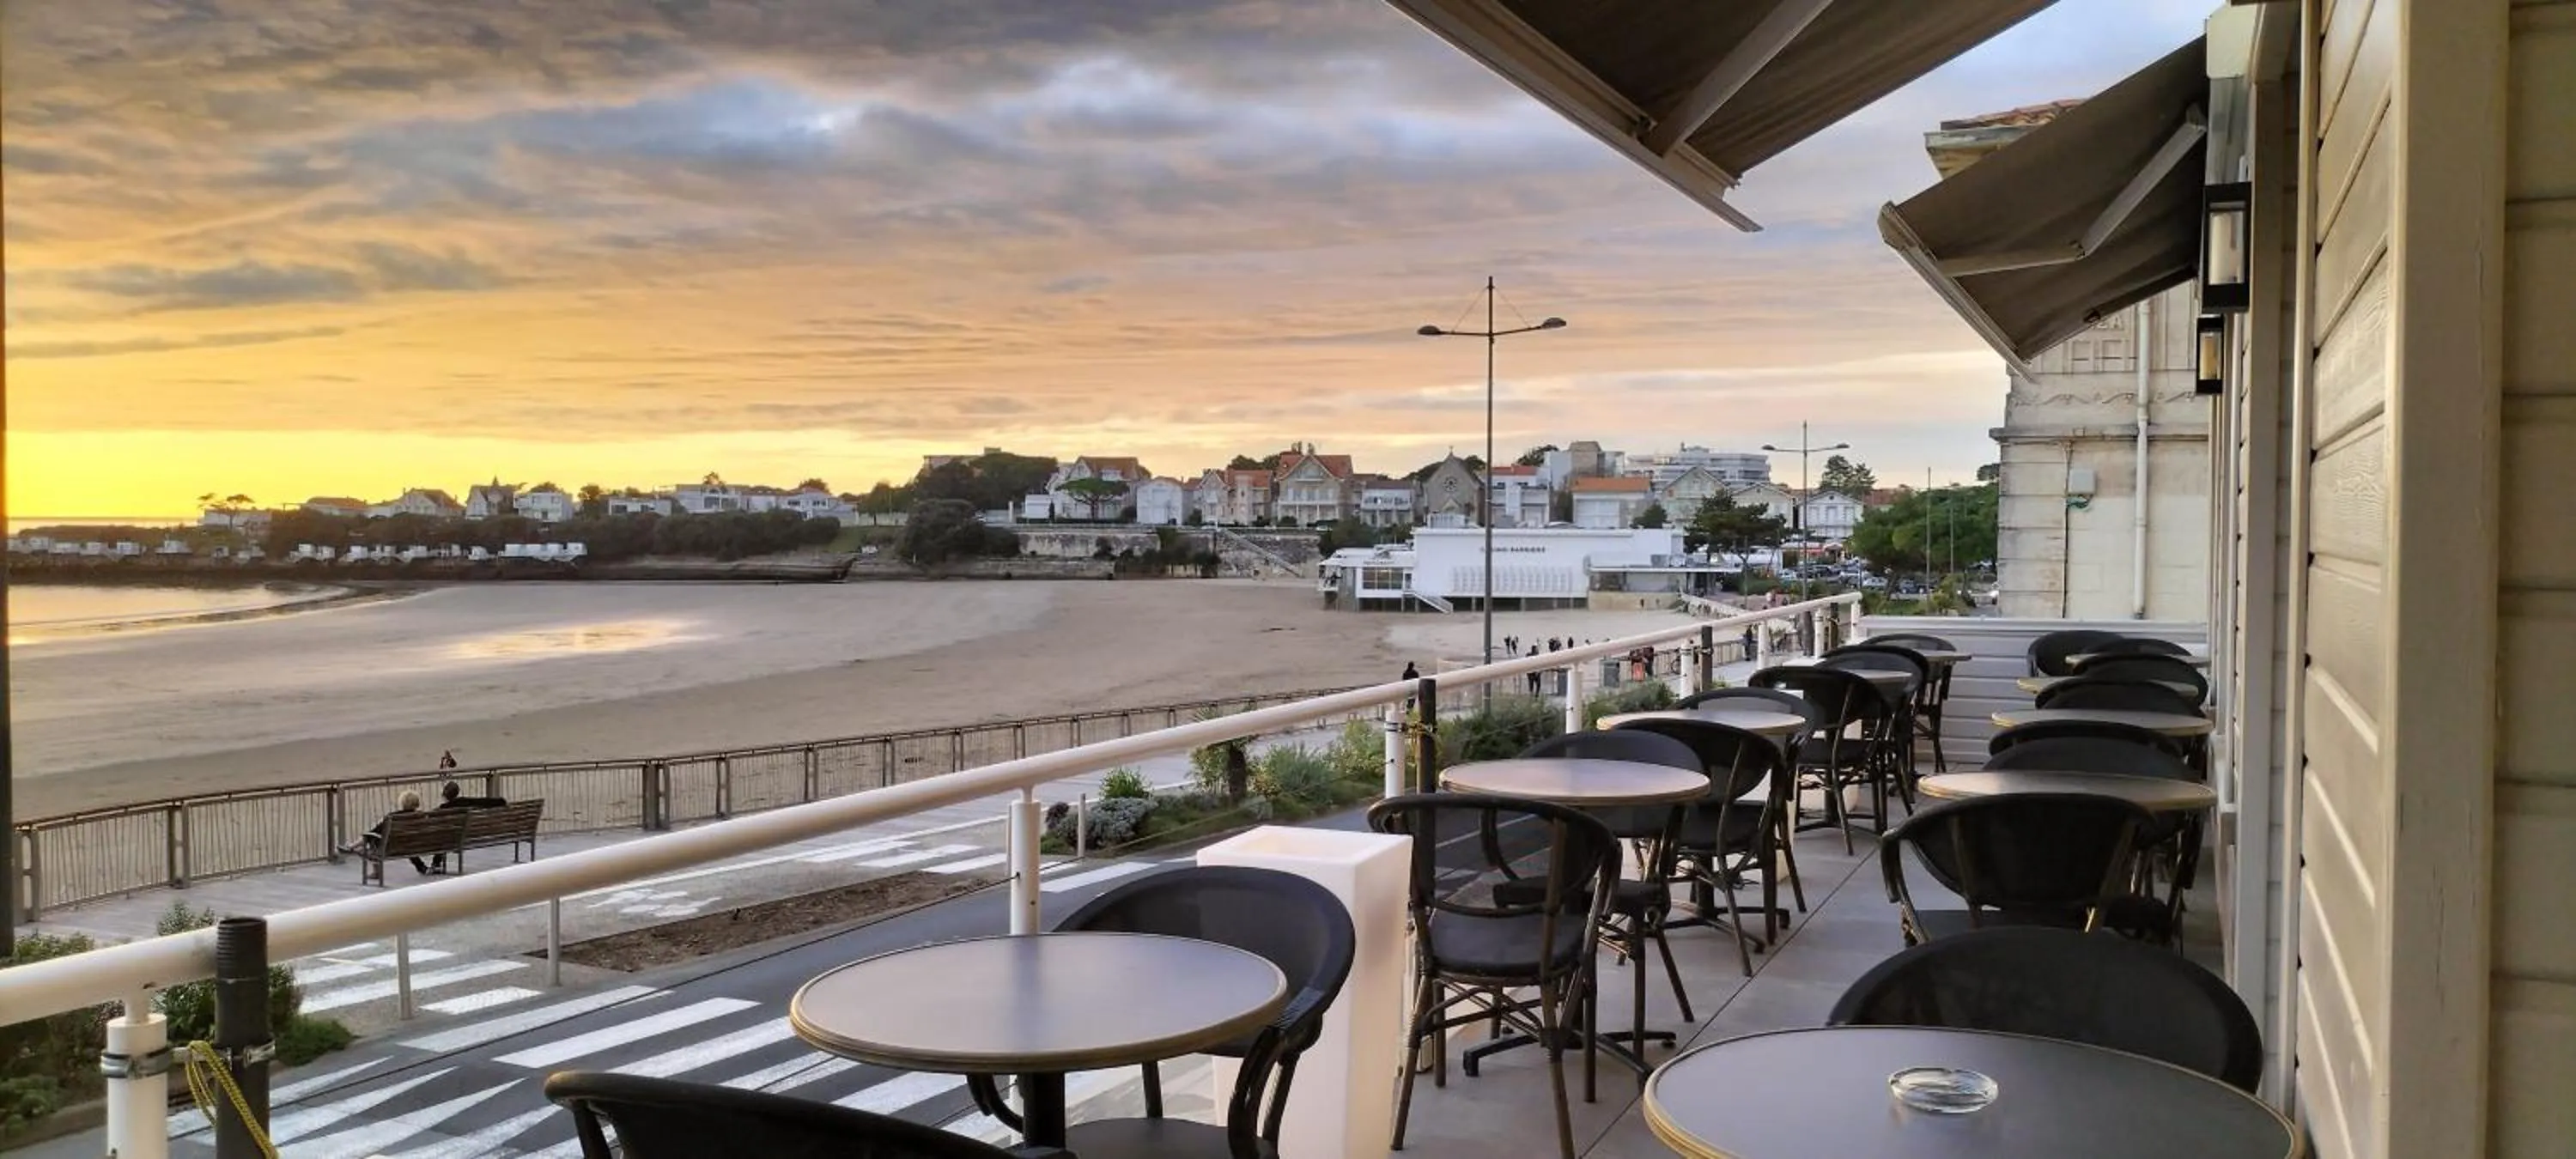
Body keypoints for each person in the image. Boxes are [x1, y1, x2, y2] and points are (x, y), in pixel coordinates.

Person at [339, 791, 437, 874]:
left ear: (402, 802)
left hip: (391, 848)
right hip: (414, 846)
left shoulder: (393, 817)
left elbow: (374, 832)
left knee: (371, 838)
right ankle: (422, 867)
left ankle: (352, 847)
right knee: (405, 841)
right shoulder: (421, 816)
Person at [428, 780, 508, 873]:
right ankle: (436, 864)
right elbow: (482, 801)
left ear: (445, 795)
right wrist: (501, 801)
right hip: (467, 837)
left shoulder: (443, 808)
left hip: (452, 840)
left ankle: (436, 864)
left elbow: (430, 817)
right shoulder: (465, 802)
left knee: (442, 835)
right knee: (445, 833)